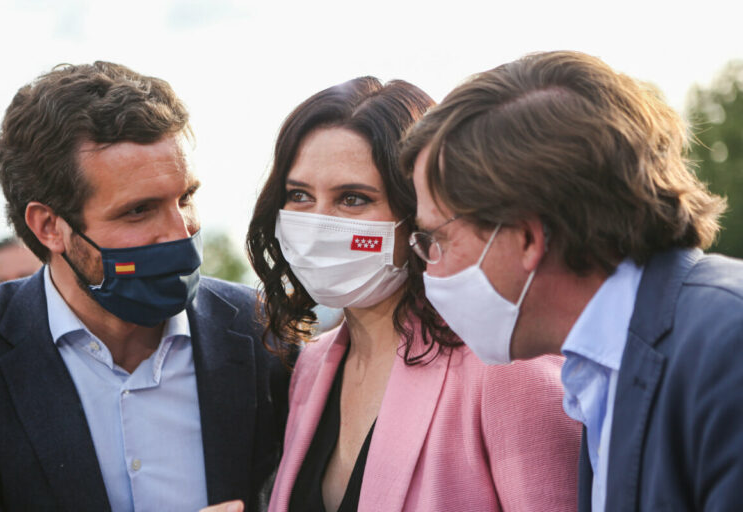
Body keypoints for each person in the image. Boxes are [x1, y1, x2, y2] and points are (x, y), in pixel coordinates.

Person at [401, 50, 740, 511]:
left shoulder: (726, 345)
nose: (429, 267)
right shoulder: (601, 371)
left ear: (526, 237)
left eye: (437, 238)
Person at [246, 76, 580, 512]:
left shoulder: (506, 367)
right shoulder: (311, 365)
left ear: (419, 211)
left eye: (352, 198)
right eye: (299, 195)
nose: (319, 225)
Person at [0, 62, 289, 512]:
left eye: (184, 198)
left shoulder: (265, 336)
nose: (180, 233)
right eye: (139, 211)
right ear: (49, 227)